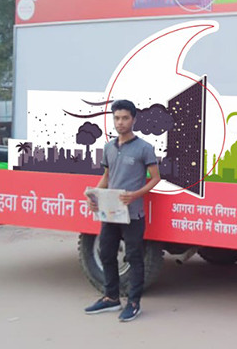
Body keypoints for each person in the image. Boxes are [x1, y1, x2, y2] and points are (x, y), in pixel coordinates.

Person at [84, 100, 160, 322]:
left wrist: (135, 195)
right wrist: (94, 196)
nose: (120, 122)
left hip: (133, 214)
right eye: (117, 118)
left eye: (125, 118)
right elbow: (107, 177)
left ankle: (134, 303)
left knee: (134, 257)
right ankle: (111, 298)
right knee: (106, 253)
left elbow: (155, 178)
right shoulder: (109, 147)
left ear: (133, 119)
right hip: (110, 212)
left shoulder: (144, 148)